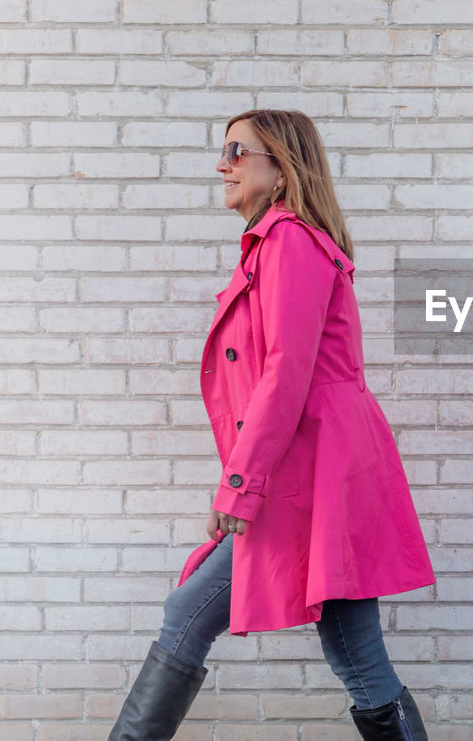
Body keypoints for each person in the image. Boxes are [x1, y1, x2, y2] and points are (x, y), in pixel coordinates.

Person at [108, 109, 435, 740]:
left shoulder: (288, 243)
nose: (221, 164)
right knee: (355, 654)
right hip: (313, 472)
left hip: (313, 477)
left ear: (281, 170)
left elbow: (286, 376)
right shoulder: (276, 245)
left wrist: (240, 485)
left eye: (237, 150)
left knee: (189, 613)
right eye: (222, 149)